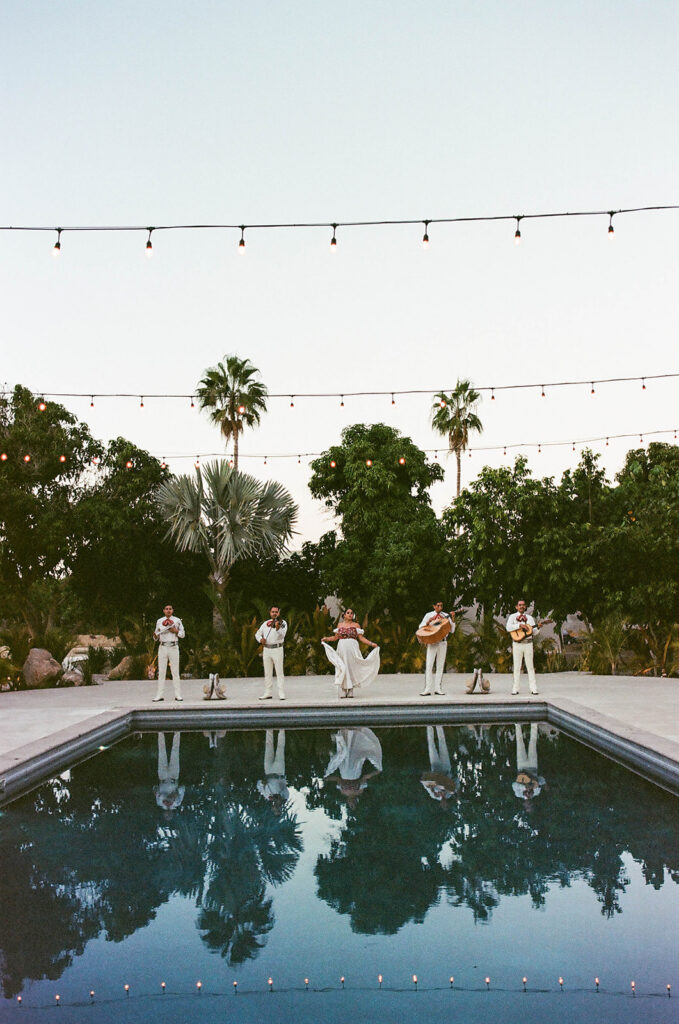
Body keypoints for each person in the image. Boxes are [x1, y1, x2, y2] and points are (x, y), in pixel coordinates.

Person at [321, 609, 380, 699]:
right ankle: (343, 689)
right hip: (342, 648)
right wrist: (327, 639)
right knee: (342, 666)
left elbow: (361, 638)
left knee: (351, 667)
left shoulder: (356, 625)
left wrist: (371, 644)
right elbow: (335, 637)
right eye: (348, 613)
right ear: (344, 615)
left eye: (351, 613)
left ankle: (351, 688)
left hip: (352, 648)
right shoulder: (340, 625)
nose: (350, 614)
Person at [324, 728, 383, 808]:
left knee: (345, 753)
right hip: (355, 770)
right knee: (355, 751)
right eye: (353, 803)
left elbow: (338, 779)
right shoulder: (359, 791)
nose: (352, 802)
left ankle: (346, 733)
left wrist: (328, 778)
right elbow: (365, 777)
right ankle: (354, 733)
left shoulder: (343, 792)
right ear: (356, 801)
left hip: (344, 770)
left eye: (350, 803)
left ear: (347, 801)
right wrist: (375, 772)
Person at [417, 602, 455, 695]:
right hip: (432, 642)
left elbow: (452, 630)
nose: (440, 607)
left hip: (443, 642)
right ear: (434, 606)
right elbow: (421, 628)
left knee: (440, 666)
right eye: (438, 605)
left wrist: (453, 619)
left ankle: (438, 688)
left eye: (441, 605)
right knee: (429, 665)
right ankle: (427, 689)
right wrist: (428, 622)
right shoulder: (429, 615)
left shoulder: (445, 615)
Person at [506, 599, 540, 695]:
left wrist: (538, 628)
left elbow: (534, 632)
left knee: (530, 666)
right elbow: (508, 628)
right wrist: (519, 626)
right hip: (517, 644)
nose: (521, 606)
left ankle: (533, 688)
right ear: (516, 607)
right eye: (519, 605)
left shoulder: (529, 618)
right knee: (516, 667)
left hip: (528, 643)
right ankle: (515, 688)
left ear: (525, 607)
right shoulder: (513, 617)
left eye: (523, 605)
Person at [153, 604, 185, 702]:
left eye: (170, 609)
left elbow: (183, 634)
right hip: (162, 647)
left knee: (175, 672)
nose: (168, 610)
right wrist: (156, 635)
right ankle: (159, 695)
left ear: (172, 610)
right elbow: (155, 637)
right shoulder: (159, 621)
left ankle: (178, 695)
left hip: (173, 647)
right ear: (163, 611)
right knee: (161, 672)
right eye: (166, 609)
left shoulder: (177, 620)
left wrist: (175, 631)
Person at [255, 606, 288, 700]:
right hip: (267, 649)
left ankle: (281, 692)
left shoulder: (283, 623)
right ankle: (268, 692)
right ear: (270, 613)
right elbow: (257, 634)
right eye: (273, 612)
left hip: (277, 649)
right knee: (267, 672)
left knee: (279, 671)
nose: (274, 613)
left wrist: (278, 628)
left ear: (279, 613)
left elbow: (283, 635)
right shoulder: (266, 623)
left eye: (276, 612)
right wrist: (260, 639)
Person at [420, 726, 458, 806]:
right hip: (446, 768)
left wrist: (433, 789)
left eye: (442, 804)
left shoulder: (434, 796)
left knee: (431, 746)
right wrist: (449, 787)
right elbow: (456, 780)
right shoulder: (450, 793)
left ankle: (429, 725)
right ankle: (439, 725)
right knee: (442, 744)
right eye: (445, 804)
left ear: (440, 803)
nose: (443, 802)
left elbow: (426, 784)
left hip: (435, 769)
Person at [512, 723, 546, 812]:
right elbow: (542, 779)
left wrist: (525, 788)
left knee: (519, 743)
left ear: (524, 805)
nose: (529, 804)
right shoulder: (537, 793)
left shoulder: (518, 794)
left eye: (528, 806)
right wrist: (536, 785)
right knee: (533, 743)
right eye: (531, 805)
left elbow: (514, 784)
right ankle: (534, 724)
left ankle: (517, 725)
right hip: (533, 766)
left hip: (521, 767)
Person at [257, 729, 289, 815]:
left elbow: (259, 785)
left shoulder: (267, 796)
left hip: (268, 772)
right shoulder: (285, 798)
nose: (276, 808)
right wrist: (278, 800)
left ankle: (269, 729)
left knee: (268, 746)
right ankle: (282, 730)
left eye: (275, 810)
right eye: (278, 810)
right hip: (279, 772)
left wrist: (262, 783)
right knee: (280, 748)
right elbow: (283, 788)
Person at [154, 732, 185, 814]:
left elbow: (155, 788)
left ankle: (160, 732)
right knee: (175, 751)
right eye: (169, 815)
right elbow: (183, 788)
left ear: (164, 814)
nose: (167, 814)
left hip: (162, 777)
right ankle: (177, 731)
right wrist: (175, 795)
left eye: (166, 815)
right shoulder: (177, 803)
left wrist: (163, 798)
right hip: (173, 777)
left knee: (161, 752)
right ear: (172, 814)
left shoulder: (159, 803)